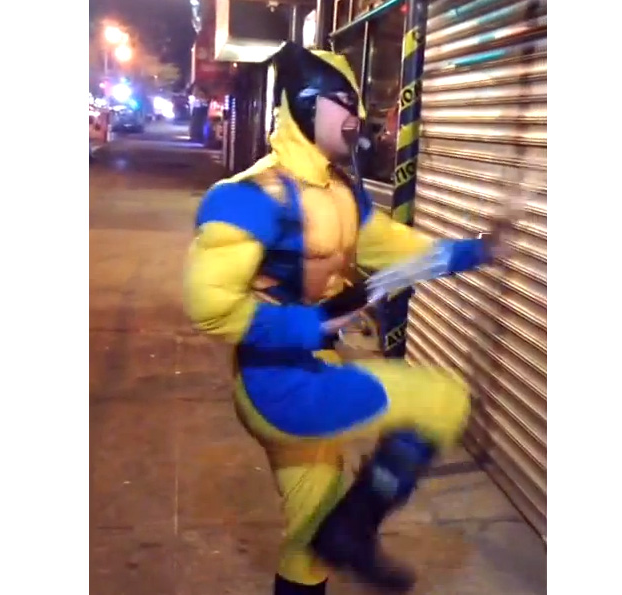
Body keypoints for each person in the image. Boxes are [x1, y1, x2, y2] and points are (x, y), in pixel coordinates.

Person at [183, 42, 505, 595]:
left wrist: (475, 251)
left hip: (311, 368)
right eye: (345, 102)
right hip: (279, 385)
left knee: (312, 539)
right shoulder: (249, 196)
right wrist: (304, 327)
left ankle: (340, 535)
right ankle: (355, 533)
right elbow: (209, 307)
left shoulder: (341, 194)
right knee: (442, 399)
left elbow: (394, 248)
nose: (358, 117)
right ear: (309, 103)